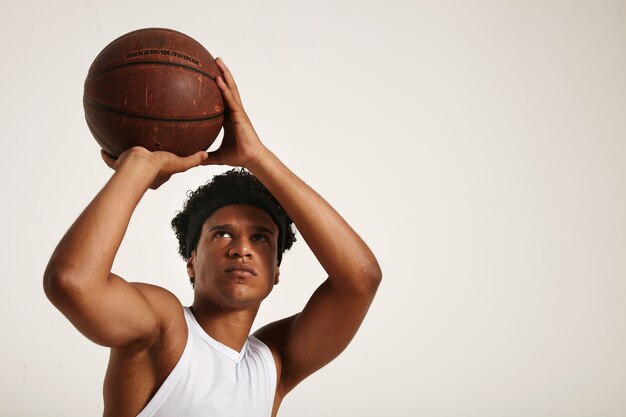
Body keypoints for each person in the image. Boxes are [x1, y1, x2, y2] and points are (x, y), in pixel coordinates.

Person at [44, 58, 382, 417]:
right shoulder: (165, 328)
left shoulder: (274, 364)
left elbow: (361, 279)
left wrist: (257, 157)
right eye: (222, 234)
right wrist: (139, 167)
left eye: (261, 238)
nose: (241, 250)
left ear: (277, 270)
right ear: (191, 260)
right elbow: (73, 282)